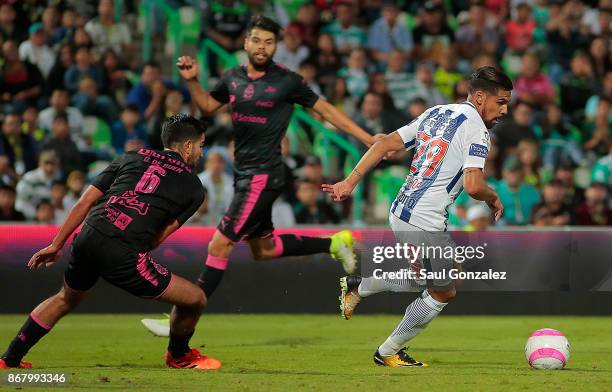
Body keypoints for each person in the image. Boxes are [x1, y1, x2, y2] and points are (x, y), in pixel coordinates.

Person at [142, 15, 376, 337]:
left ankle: (180, 320)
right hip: (245, 175)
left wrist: (366, 138)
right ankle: (335, 243)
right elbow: (209, 107)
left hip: (263, 175)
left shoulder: (287, 81)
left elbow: (324, 109)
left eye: (268, 42)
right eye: (256, 41)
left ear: (275, 46)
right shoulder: (233, 78)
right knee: (262, 250)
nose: (262, 47)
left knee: (219, 244)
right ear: (245, 43)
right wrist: (193, 81)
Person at [322, 66, 512, 367]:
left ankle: (360, 286)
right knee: (443, 290)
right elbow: (474, 186)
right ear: (479, 97)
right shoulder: (477, 129)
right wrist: (494, 196)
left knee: (433, 275)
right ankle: (388, 352)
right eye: (500, 102)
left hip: (401, 210)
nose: (504, 109)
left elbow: (383, 143)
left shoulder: (436, 112)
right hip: (424, 218)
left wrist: (350, 182)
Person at [0, 114, 221, 371]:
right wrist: (130, 251)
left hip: (88, 236)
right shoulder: (194, 188)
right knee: (195, 299)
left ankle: (9, 359)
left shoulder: (132, 156)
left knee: (64, 298)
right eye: (201, 145)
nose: (201, 153)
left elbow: (84, 202)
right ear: (187, 146)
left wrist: (56, 244)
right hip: (123, 252)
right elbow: (159, 236)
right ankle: (179, 356)